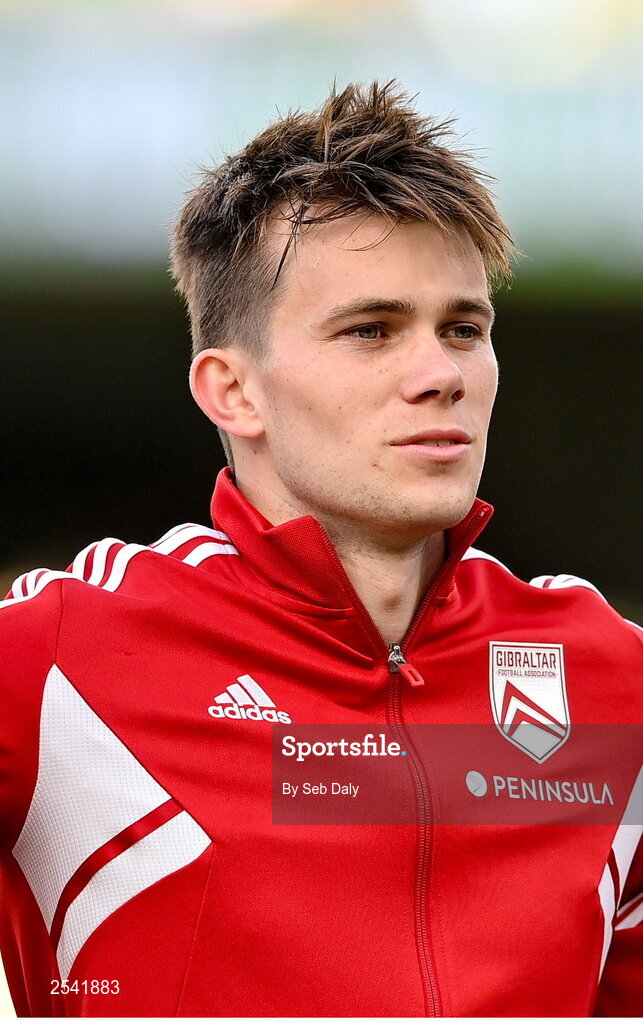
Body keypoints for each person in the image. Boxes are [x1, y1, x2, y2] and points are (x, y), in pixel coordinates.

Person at [0, 81, 640, 1018]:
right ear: (233, 391)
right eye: (370, 330)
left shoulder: (611, 677)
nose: (440, 375)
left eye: (463, 329)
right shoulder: (56, 658)